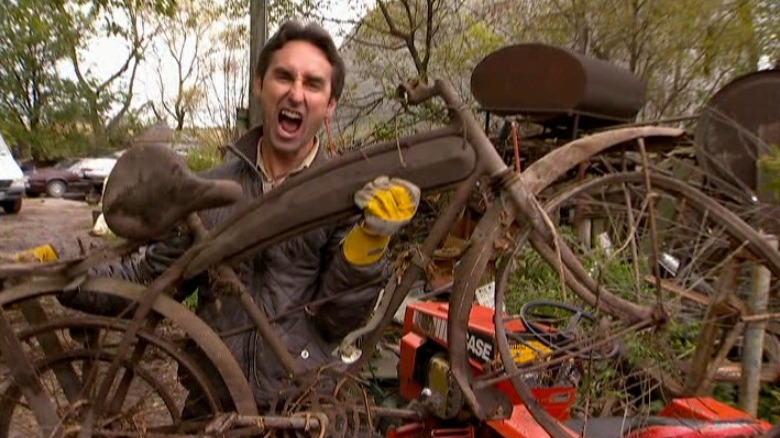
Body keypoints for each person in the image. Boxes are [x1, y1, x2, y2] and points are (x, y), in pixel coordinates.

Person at [60, 20, 420, 416]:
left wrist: (369, 241)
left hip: (303, 408)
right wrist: (63, 271)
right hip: (213, 408)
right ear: (260, 85)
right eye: (284, 76)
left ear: (330, 105)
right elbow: (151, 283)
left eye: (313, 84)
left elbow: (336, 321)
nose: (296, 93)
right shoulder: (209, 191)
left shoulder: (345, 199)